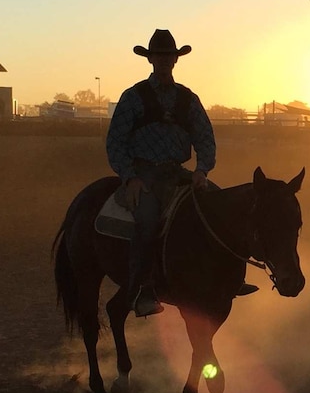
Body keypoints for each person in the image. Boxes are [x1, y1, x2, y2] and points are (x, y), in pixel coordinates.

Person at [105, 29, 258, 318]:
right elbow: (115, 141)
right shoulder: (133, 97)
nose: (164, 61)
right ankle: (142, 287)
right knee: (148, 219)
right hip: (145, 174)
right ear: (151, 60)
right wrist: (130, 177)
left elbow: (204, 137)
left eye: (169, 56)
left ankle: (232, 277)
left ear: (175, 60)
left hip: (179, 173)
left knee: (220, 206)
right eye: (159, 56)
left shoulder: (188, 99)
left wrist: (202, 169)